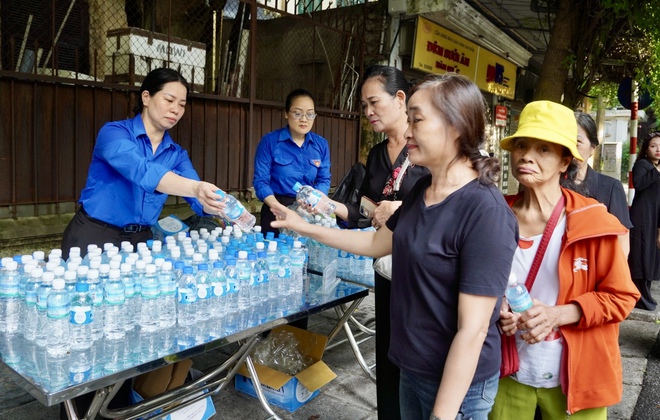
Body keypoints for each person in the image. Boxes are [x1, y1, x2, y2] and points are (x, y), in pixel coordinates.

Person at [271, 73, 518, 420]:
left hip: (454, 386)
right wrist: (303, 226)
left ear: (456, 126)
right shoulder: (422, 192)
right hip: (411, 367)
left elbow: (473, 330)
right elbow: (375, 243)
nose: (408, 131)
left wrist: (442, 415)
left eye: (417, 120)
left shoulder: (485, 211)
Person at [490, 101, 640, 419]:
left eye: (544, 148)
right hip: (506, 371)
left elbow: (622, 297)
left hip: (576, 378)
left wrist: (559, 314)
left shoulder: (593, 221)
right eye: (520, 145)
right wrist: (497, 308)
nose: (527, 155)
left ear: (564, 161)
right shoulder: (492, 215)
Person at [321, 64, 429, 419]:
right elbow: (367, 212)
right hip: (385, 268)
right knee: (387, 352)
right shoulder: (377, 154)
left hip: (421, 272)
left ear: (400, 99)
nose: (367, 112)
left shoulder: (427, 149)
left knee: (418, 361)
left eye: (373, 103)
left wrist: (402, 208)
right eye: (363, 105)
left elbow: (443, 205)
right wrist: (329, 206)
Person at [61, 67, 225, 260]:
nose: (176, 110)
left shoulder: (177, 154)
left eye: (182, 105)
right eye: (169, 100)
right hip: (95, 235)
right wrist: (197, 188)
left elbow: (198, 199)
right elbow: (142, 170)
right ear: (146, 97)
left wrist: (220, 207)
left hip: (141, 240)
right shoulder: (114, 133)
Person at [253, 88, 331, 237]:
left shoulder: (321, 144)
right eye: (297, 113)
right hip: (276, 209)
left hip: (307, 212)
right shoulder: (270, 142)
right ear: (286, 113)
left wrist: (315, 202)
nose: (304, 119)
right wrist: (278, 209)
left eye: (310, 114)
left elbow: (323, 179)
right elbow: (261, 182)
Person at [574, 111, 632, 256]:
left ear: (592, 148)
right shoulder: (549, 186)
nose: (570, 149)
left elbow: (622, 245)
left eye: (577, 142)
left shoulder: (611, 188)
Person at [628, 132, 660, 310]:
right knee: (641, 255)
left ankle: (645, 293)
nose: (658, 149)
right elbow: (638, 184)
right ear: (646, 149)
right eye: (653, 146)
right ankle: (638, 296)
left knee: (651, 256)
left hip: (655, 217)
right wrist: (657, 170)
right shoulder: (642, 164)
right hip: (642, 217)